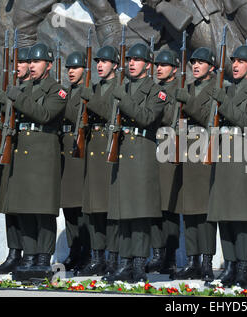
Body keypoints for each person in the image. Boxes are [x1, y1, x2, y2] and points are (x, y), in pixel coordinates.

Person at [96, 42, 167, 283]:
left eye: (137, 60)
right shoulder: (122, 87)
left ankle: (138, 263)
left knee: (140, 214)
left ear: (147, 65)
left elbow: (146, 117)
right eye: (130, 60)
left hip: (142, 152)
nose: (132, 64)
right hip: (123, 151)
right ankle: (124, 262)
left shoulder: (157, 91)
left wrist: (122, 98)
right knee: (123, 212)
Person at [0, 43, 67, 279]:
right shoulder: (25, 88)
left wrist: (17, 97)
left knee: (43, 210)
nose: (32, 66)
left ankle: (42, 257)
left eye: (37, 62)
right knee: (24, 208)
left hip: (43, 154)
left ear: (48, 65)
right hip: (24, 152)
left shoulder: (58, 91)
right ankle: (28, 255)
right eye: (31, 62)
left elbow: (44, 114)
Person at [207, 44, 247, 289]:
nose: (235, 65)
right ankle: (231, 266)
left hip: (245, 158)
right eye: (233, 61)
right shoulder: (227, 90)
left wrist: (223, 100)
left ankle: (243, 268)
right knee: (225, 215)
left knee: (243, 218)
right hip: (224, 157)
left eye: (241, 62)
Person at [174, 47, 218, 283]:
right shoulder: (188, 88)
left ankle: (207, 261)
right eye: (194, 62)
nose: (196, 66)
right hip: (186, 149)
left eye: (201, 62)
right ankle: (192, 260)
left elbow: (207, 116)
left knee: (204, 211)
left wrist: (186, 102)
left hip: (204, 149)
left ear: (211, 66)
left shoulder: (216, 89)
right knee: (188, 209)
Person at [74, 45, 119, 278]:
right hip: (93, 148)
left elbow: (108, 110)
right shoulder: (93, 87)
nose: (100, 65)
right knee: (93, 209)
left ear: (115, 65)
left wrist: (89, 99)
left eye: (105, 61)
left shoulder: (119, 88)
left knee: (109, 209)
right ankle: (97, 256)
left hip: (108, 149)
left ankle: (112, 258)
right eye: (98, 61)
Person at [0, 46, 31, 275]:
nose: (18, 66)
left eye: (22, 62)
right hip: (8, 151)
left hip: (22, 154)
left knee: (23, 207)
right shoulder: (12, 88)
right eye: (17, 63)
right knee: (9, 206)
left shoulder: (28, 90)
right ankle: (13, 253)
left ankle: (27, 253)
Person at [146, 49, 183, 279]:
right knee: (154, 204)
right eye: (157, 64)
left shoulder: (177, 91)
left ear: (175, 69)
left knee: (169, 207)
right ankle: (157, 253)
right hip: (153, 147)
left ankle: (169, 256)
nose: (159, 68)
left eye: (164, 65)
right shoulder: (154, 89)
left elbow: (171, 117)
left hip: (169, 146)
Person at [60, 51, 90, 272]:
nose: (71, 71)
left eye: (75, 67)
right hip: (66, 151)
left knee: (81, 208)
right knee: (69, 207)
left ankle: (86, 253)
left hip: (81, 152)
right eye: (69, 68)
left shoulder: (86, 92)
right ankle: (73, 251)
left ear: (84, 70)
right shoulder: (66, 92)